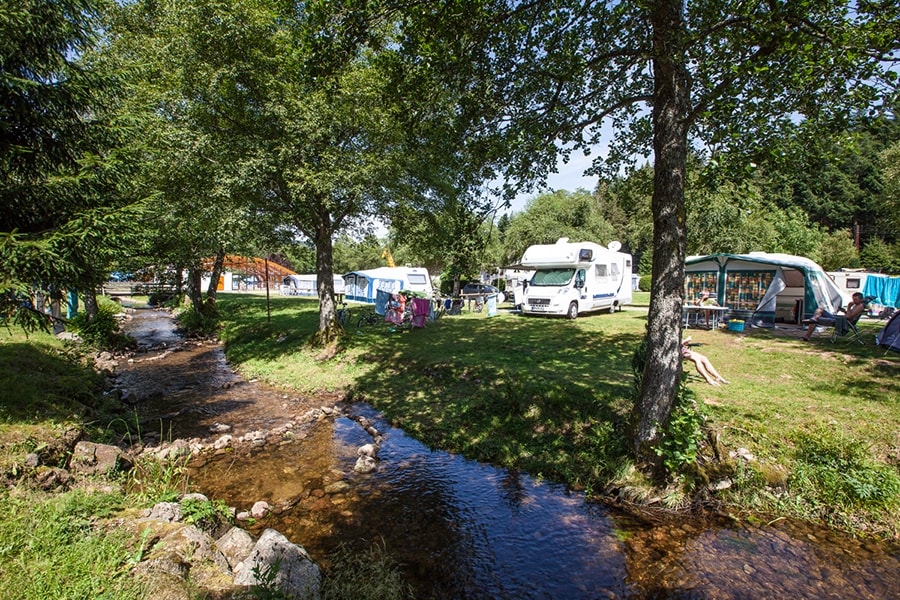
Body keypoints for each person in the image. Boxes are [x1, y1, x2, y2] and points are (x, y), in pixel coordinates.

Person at [801, 291, 865, 341]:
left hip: (842, 322)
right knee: (820, 309)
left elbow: (849, 317)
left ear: (861, 299)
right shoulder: (857, 305)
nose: (854, 301)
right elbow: (849, 314)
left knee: (816, 320)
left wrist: (849, 306)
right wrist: (844, 311)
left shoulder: (860, 306)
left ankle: (807, 336)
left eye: (856, 299)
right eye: (853, 299)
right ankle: (814, 318)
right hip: (841, 319)